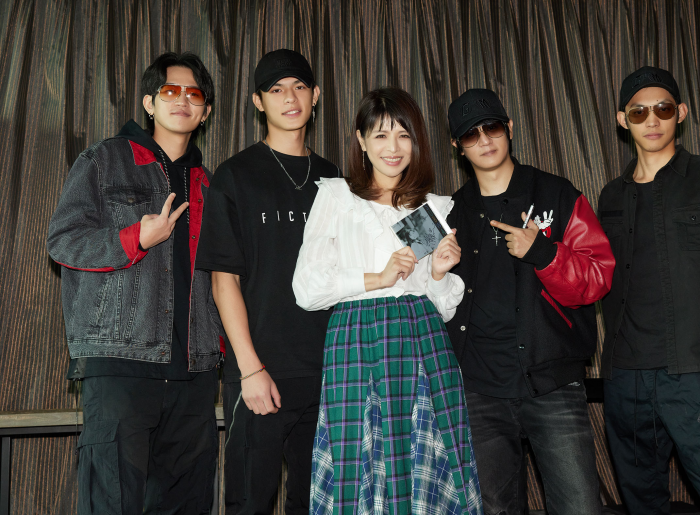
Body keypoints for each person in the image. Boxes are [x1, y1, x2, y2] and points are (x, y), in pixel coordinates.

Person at [293, 87, 483, 515]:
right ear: (361, 141)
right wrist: (377, 278)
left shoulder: (430, 208)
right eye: (380, 135)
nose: (392, 147)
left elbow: (442, 306)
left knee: (426, 453)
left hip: (421, 337)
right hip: (355, 340)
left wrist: (438, 273)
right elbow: (307, 288)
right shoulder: (338, 197)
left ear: (416, 141)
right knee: (356, 456)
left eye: (403, 135)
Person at [47, 52, 221, 514]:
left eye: (194, 94)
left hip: (195, 371)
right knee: (112, 501)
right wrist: (135, 238)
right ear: (149, 103)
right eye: (170, 90)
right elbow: (63, 242)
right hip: (120, 363)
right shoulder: (105, 160)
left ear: (205, 111)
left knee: (188, 504)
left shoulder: (211, 184)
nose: (182, 99)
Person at [598, 66, 700, 515]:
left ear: (681, 113)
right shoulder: (610, 196)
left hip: (695, 374)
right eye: (639, 111)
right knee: (641, 502)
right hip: (625, 377)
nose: (652, 120)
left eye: (663, 109)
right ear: (623, 120)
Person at [445, 88, 614, 515]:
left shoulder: (557, 194)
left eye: (492, 127)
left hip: (552, 383)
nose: (485, 140)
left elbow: (598, 277)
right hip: (478, 390)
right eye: (471, 134)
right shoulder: (449, 212)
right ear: (457, 146)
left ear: (510, 128)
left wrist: (544, 253)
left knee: (580, 508)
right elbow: (426, 297)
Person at [194, 49, 340, 514]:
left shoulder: (336, 179)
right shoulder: (236, 175)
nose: (289, 98)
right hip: (261, 371)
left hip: (330, 371)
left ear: (315, 96)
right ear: (258, 102)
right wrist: (250, 369)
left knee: (316, 503)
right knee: (250, 502)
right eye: (276, 90)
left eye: (299, 87)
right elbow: (224, 282)